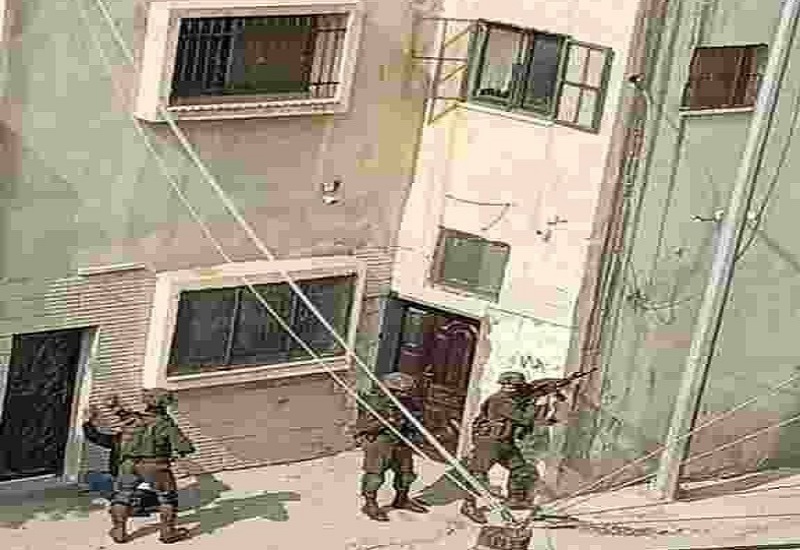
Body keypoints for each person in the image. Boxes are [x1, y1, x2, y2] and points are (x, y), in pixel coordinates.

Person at [107, 388, 196, 544]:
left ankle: (119, 532)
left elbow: (122, 414)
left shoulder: (133, 418)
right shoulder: (166, 424)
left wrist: (115, 406)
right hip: (155, 466)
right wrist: (178, 453)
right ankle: (168, 533)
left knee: (122, 497)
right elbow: (185, 447)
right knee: (167, 499)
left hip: (128, 465)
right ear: (165, 404)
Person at [458, 371, 543, 524]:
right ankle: (468, 505)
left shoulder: (512, 399)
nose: (512, 388)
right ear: (503, 385)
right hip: (489, 443)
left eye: (516, 386)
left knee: (521, 469)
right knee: (478, 475)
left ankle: (515, 500)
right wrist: (534, 403)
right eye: (509, 385)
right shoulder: (501, 400)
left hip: (504, 442)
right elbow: (524, 419)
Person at [354, 371, 429, 521]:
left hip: (402, 441)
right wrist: (387, 421)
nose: (404, 394)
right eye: (399, 391)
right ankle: (370, 504)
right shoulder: (375, 403)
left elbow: (418, 420)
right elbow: (363, 427)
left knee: (406, 475)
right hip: (380, 442)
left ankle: (401, 500)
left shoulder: (409, 403)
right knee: (375, 477)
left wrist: (413, 426)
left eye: (406, 391)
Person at [82, 403, 160, 515]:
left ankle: (133, 505)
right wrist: (89, 421)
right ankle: (131, 502)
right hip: (136, 484)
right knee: (93, 477)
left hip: (140, 485)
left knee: (100, 479)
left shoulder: (142, 442)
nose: (123, 428)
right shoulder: (121, 439)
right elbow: (95, 437)